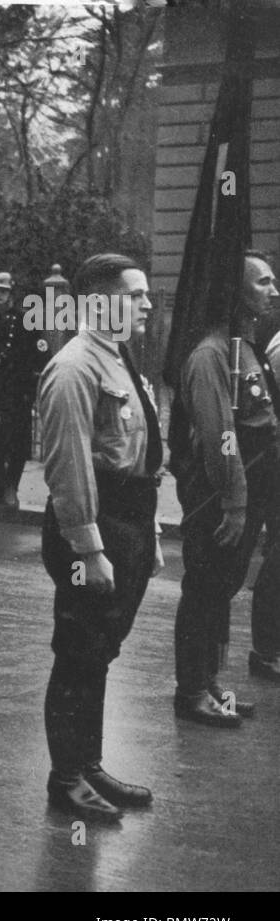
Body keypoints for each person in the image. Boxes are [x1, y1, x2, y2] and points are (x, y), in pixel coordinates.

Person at [38, 252, 162, 821]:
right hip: (96, 527)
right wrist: (90, 548)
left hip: (128, 520)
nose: (146, 304)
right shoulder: (75, 367)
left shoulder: (119, 358)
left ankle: (88, 765)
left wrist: (151, 530)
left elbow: (140, 452)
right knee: (78, 654)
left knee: (100, 654)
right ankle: (66, 779)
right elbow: (69, 468)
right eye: (136, 295)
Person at [170, 249, 280, 727]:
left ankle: (210, 684)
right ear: (235, 291)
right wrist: (235, 504)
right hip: (218, 497)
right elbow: (220, 437)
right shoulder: (212, 354)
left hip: (247, 493)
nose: (273, 291)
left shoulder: (246, 349)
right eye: (262, 283)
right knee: (203, 590)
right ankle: (191, 690)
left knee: (221, 590)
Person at [0, 272, 48, 509]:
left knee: (16, 444)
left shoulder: (26, 321)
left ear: (12, 294)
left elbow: (40, 358)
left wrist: (30, 392)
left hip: (16, 394)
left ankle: (11, 488)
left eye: (3, 291)